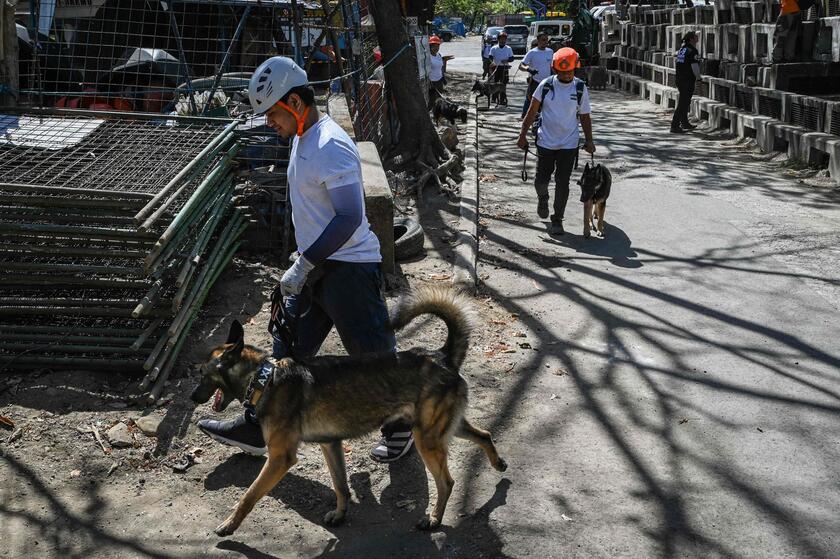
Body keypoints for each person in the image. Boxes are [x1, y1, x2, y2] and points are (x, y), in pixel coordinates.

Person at [198, 57, 414, 464]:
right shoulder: (303, 135)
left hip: (349, 269)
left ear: (295, 102)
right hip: (316, 266)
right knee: (286, 350)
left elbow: (350, 217)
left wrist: (304, 263)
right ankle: (258, 425)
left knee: (372, 358)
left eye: (272, 114)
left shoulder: (329, 144)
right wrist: (302, 261)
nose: (268, 124)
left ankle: (401, 427)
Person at [517, 47, 595, 235]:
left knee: (563, 183)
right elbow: (531, 112)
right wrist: (522, 135)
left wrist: (590, 141)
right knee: (540, 181)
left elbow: (585, 116)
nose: (567, 75)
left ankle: (557, 218)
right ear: (555, 69)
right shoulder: (545, 85)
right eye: (563, 71)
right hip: (545, 142)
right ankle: (542, 198)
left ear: (575, 69)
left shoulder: (580, 87)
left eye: (570, 71)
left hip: (568, 145)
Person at [671, 31, 700, 134]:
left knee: (685, 102)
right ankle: (674, 125)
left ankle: (684, 122)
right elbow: (694, 66)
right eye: (696, 36)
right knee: (683, 103)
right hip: (687, 80)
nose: (697, 38)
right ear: (691, 39)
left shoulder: (682, 49)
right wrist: (699, 77)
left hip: (680, 79)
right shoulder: (692, 51)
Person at [519, 33, 553, 118]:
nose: (545, 42)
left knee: (547, 102)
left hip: (547, 82)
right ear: (538, 41)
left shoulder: (550, 51)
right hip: (535, 82)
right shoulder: (532, 52)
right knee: (531, 101)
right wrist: (528, 69)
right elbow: (521, 65)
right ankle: (525, 117)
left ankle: (543, 119)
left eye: (546, 40)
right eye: (543, 40)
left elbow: (553, 66)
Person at [488, 31, 514, 105]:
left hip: (504, 68)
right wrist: (492, 62)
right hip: (496, 67)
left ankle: (502, 99)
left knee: (503, 84)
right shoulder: (494, 48)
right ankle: (494, 98)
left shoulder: (508, 48)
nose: (503, 40)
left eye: (504, 39)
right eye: (501, 39)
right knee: (495, 83)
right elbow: (490, 57)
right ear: (498, 39)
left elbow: (512, 58)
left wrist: (507, 60)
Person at [428, 35, 454, 104]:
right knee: (432, 101)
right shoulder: (427, 57)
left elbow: (439, 64)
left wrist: (444, 59)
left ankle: (437, 114)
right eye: (434, 46)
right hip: (431, 82)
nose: (436, 48)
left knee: (439, 101)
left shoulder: (438, 55)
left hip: (439, 81)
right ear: (430, 46)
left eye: (438, 46)